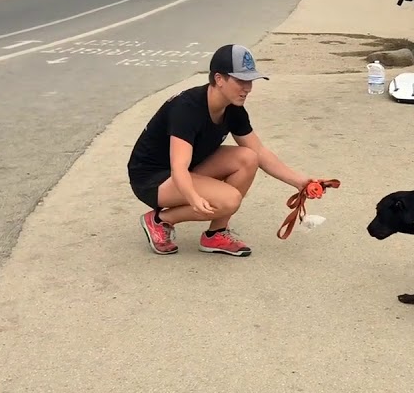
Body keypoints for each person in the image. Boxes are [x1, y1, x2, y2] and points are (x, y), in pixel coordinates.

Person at [126, 43, 320, 256]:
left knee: (248, 157)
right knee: (229, 200)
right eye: (240, 81)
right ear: (219, 79)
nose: (248, 88)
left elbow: (260, 152)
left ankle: (215, 235)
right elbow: (178, 167)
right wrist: (193, 197)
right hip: (153, 179)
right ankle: (159, 220)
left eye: (250, 81)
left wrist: (301, 182)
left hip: (188, 168)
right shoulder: (187, 109)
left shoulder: (233, 108)